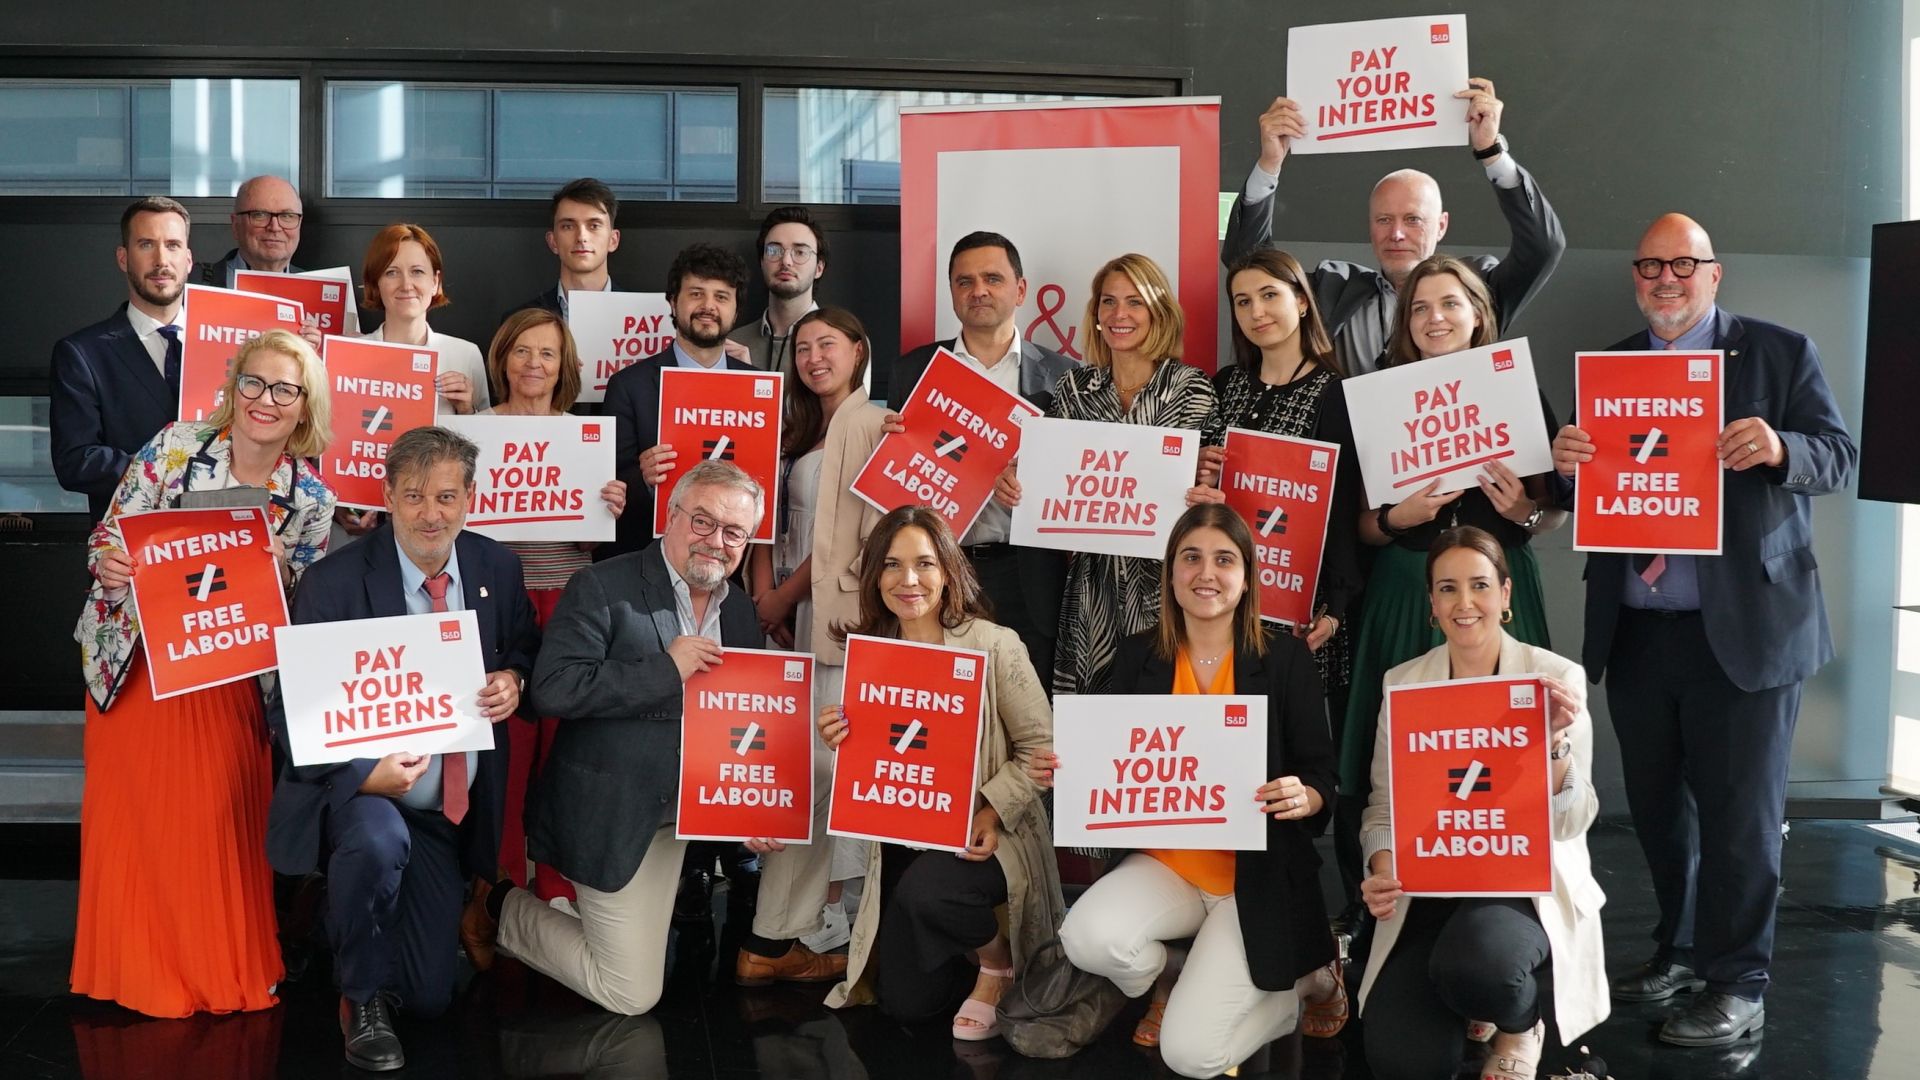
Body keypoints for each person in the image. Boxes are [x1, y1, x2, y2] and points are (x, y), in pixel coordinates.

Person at [1548, 213, 1857, 1047]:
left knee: (1741, 818)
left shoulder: (1778, 352)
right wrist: (1568, 462)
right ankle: (1678, 952)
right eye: (1650, 265)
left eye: (1684, 264)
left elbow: (1837, 454)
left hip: (1749, 631)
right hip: (1644, 631)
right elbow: (1600, 498)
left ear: (1715, 275)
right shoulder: (1608, 369)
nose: (1666, 278)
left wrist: (1779, 445)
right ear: (1636, 278)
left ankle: (1739, 981)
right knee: (1657, 812)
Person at [457, 461, 847, 1017]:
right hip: (626, 813)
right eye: (704, 522)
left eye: (734, 532)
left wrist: (756, 808)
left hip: (701, 799)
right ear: (671, 515)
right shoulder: (602, 585)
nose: (716, 542)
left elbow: (741, 722)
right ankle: (498, 905)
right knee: (631, 993)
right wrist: (665, 669)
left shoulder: (738, 611)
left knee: (821, 771)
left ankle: (773, 940)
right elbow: (552, 689)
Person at [72, 329, 336, 1017]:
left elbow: (313, 609)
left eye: (284, 388)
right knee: (138, 823)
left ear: (304, 406)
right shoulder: (174, 447)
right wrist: (111, 562)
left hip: (232, 679)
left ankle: (216, 966)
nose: (264, 400)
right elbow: (108, 535)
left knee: (215, 829)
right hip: (140, 666)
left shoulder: (310, 497)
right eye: (253, 381)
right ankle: (136, 971)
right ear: (233, 385)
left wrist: (285, 572)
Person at [1034, 504, 1343, 1078]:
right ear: (1170, 574)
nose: (1206, 572)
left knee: (1189, 1055)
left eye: (1224, 559)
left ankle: (1285, 998)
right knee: (1087, 938)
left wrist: (1307, 796)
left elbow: (1324, 775)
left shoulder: (1285, 659)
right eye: (1190, 558)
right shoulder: (1136, 656)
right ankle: (1178, 972)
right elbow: (1110, 762)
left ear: (1247, 575)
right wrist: (1067, 771)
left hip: (1250, 880)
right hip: (1165, 867)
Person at [265, 426, 538, 1072]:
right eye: (413, 496)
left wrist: (513, 679)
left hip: (446, 812)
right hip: (365, 797)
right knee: (376, 842)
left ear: (471, 497)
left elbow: (524, 642)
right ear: (387, 495)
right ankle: (358, 997)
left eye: (446, 496)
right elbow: (288, 712)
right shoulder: (334, 583)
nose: (430, 513)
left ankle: (338, 916)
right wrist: (364, 772)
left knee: (428, 998)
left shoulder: (495, 567)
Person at [1357, 526, 1607, 1080]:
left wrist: (1554, 744)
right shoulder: (1402, 685)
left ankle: (1519, 1025)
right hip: (1429, 889)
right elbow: (1381, 810)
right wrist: (1383, 866)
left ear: (1506, 595)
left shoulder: (1555, 678)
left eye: (1479, 586)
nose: (1464, 603)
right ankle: (1471, 1006)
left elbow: (1572, 820)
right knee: (1401, 1061)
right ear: (1431, 602)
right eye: (1447, 588)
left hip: (1520, 889)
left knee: (1480, 964)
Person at [815, 506, 1062, 1039]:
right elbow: (887, 762)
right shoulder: (874, 655)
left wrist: (991, 812)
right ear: (874, 576)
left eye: (924, 564)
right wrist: (842, 739)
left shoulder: (995, 644)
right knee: (907, 1007)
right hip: (909, 846)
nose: (908, 580)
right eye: (892, 565)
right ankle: (963, 951)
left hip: (989, 841)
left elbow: (1043, 751)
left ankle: (997, 963)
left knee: (930, 892)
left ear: (949, 570)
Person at [1340, 255, 1565, 833]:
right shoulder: (1377, 398)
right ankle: (1383, 889)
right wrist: (1397, 517)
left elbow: (1552, 515)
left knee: (1506, 741)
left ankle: (1513, 880)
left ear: (1476, 314)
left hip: (1498, 581)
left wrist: (1523, 510)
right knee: (1394, 749)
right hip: (1404, 588)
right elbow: (1359, 524)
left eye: (1449, 303)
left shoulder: (1514, 390)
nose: (1433, 318)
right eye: (1419, 307)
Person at [1192, 245, 1367, 926]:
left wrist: (1337, 604)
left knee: (1294, 765)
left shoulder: (1335, 392)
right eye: (1243, 300)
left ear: (1300, 300)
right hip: (1222, 610)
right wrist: (1201, 475)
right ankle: (1222, 905)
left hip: (1302, 615)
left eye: (1270, 295)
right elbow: (1206, 506)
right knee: (1227, 754)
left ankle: (1304, 922)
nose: (1257, 311)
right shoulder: (1224, 386)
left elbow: (1346, 509)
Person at [1220, 79, 1565, 376]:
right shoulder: (1333, 287)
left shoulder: (1476, 286)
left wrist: (1491, 152)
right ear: (1369, 227)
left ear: (1441, 226)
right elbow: (1247, 261)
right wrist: (1270, 163)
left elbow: (1543, 247)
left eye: (1413, 220)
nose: (1396, 234)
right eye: (1384, 220)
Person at [995, 253, 1217, 695]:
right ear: (1095, 314)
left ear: (1158, 311)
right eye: (1109, 302)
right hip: (1091, 592)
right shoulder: (1073, 389)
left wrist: (1207, 486)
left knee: (1160, 723)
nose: (1120, 314)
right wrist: (1020, 483)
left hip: (1169, 586)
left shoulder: (1193, 387)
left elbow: (1210, 486)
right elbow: (1052, 483)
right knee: (1089, 727)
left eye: (1135, 302)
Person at [745, 306, 885, 950]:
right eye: (801, 348)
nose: (813, 358)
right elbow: (764, 517)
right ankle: (794, 914)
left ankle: (831, 912)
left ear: (858, 350)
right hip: (785, 616)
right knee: (794, 762)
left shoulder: (880, 426)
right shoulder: (792, 426)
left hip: (835, 619)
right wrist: (763, 594)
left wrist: (784, 599)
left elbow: (848, 543)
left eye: (826, 344)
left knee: (832, 762)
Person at [479, 309, 630, 902]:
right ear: (503, 360)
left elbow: (588, 544)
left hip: (569, 600)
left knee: (562, 742)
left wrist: (606, 509)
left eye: (547, 353)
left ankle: (555, 878)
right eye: (522, 351)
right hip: (499, 605)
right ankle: (499, 880)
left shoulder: (581, 434)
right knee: (508, 746)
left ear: (565, 366)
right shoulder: (475, 431)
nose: (534, 364)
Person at [893, 231, 1077, 689]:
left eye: (992, 278)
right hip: (941, 572)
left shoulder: (1064, 377)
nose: (978, 290)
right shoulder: (912, 372)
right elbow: (900, 478)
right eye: (964, 281)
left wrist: (1036, 483)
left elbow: (1078, 481)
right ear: (952, 293)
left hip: (1028, 575)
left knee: (1031, 717)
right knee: (946, 708)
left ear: (1019, 289)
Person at [602, 242, 756, 560]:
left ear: (736, 310)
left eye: (721, 297)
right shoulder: (628, 386)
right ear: (673, 302)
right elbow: (609, 484)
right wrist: (642, 479)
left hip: (732, 562)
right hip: (647, 559)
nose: (708, 306)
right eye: (696, 293)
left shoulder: (759, 387)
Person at [50, 196, 196, 522]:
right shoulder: (82, 354)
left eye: (172, 246)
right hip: (128, 555)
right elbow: (76, 460)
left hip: (224, 544)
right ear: (123, 258)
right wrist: (167, 471)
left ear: (188, 259)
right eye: (146, 244)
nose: (161, 260)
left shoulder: (231, 346)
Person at [360, 223, 490, 417]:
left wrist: (466, 410)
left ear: (435, 282)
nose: (406, 285)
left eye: (417, 271)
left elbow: (484, 440)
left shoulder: (466, 355)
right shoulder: (352, 354)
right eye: (391, 272)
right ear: (376, 284)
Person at [498, 177, 623, 324]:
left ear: (613, 240)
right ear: (553, 242)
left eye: (594, 226)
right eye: (568, 226)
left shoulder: (644, 316)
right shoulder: (518, 322)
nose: (581, 237)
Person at [730, 206, 827, 372]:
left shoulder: (842, 343)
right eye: (774, 250)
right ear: (761, 262)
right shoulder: (733, 344)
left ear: (819, 268)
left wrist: (750, 379)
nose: (786, 261)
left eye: (800, 252)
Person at [196, 175, 305, 286]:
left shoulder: (316, 291)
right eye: (260, 215)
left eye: (287, 216)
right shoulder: (192, 285)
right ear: (236, 225)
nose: (275, 227)